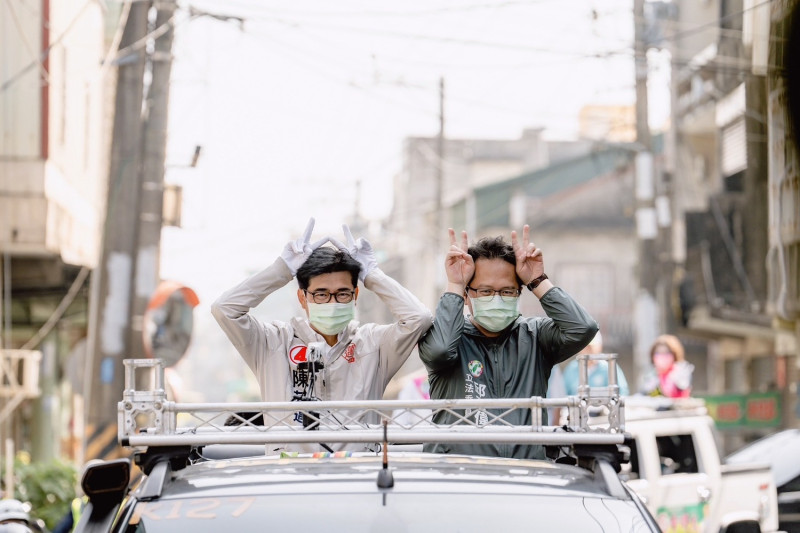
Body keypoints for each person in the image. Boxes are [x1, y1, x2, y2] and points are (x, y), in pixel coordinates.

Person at [211, 218, 433, 452]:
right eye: (321, 294)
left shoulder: (373, 345)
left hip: (357, 480)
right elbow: (224, 309)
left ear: (356, 295)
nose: (332, 302)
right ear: (302, 298)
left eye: (342, 294)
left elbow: (419, 318)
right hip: (289, 479)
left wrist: (372, 275)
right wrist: (281, 270)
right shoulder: (273, 343)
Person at [418, 225, 598, 459]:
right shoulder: (449, 336)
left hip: (526, 478)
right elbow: (439, 352)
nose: (496, 299)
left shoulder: (535, 336)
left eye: (507, 292)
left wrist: (538, 280)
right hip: (460, 479)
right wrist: (454, 286)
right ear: (467, 293)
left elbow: (583, 328)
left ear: (520, 292)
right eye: (485, 291)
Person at [561, 331, 630, 396]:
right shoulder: (571, 369)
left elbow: (622, 393)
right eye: (584, 347)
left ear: (599, 347)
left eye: (590, 347)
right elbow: (562, 394)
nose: (587, 350)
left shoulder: (609, 367)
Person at [639, 334, 694, 398]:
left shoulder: (681, 372)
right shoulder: (651, 376)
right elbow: (644, 394)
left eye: (666, 353)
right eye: (658, 353)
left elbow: (683, 390)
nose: (662, 356)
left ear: (674, 355)